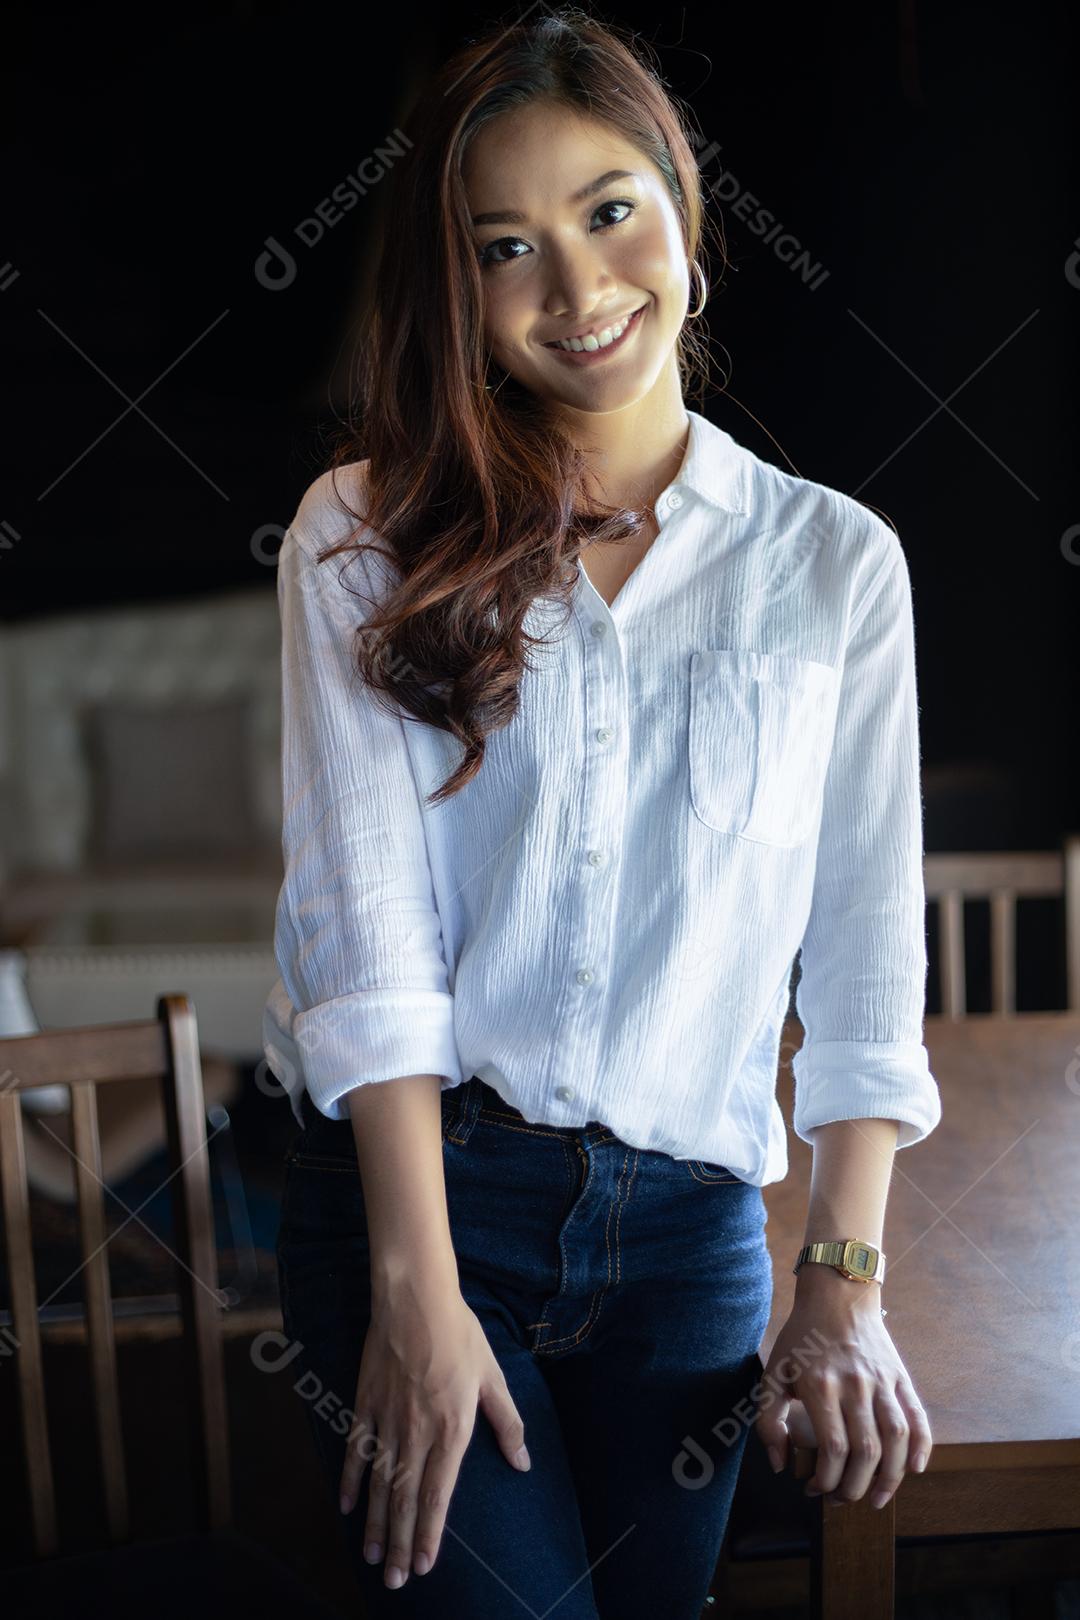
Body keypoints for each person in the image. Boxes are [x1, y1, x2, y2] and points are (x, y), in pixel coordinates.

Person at [263, 9, 941, 1615]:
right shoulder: (360, 534)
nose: (577, 289)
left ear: (685, 212)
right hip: (426, 1202)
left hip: (688, 1244)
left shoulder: (835, 565)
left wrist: (843, 1286)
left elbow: (863, 960)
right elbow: (370, 944)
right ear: (458, 287)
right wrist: (415, 1293)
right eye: (507, 245)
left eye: (609, 210)